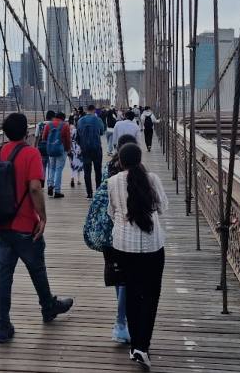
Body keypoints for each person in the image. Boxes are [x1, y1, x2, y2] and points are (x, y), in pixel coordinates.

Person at [0, 112, 74, 343]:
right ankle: (48, 307)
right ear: (26, 132)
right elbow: (35, 188)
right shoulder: (30, 153)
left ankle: (3, 325)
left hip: (2, 224)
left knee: (4, 274)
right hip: (24, 223)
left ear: (6, 132)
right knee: (37, 267)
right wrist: (43, 217)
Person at [107, 143, 168, 368]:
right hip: (153, 247)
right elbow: (162, 208)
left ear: (120, 162)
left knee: (132, 294)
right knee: (151, 296)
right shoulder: (152, 179)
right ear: (140, 159)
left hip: (124, 247)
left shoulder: (112, 182)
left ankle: (135, 346)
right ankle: (143, 345)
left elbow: (111, 212)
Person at [84, 134, 139, 345]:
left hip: (109, 233)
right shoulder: (135, 177)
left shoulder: (109, 169)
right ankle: (121, 322)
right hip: (126, 233)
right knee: (128, 279)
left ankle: (122, 318)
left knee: (119, 277)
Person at [76, 104, 107, 199]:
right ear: (94, 110)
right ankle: (98, 191)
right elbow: (102, 131)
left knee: (87, 171)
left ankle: (89, 193)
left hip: (85, 149)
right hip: (96, 148)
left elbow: (78, 136)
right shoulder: (98, 120)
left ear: (87, 110)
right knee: (98, 170)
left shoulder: (80, 120)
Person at [40, 111, 72, 198]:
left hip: (51, 150)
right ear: (63, 118)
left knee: (51, 168)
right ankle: (57, 191)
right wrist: (68, 149)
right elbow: (68, 139)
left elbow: (44, 137)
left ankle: (50, 185)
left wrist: (51, 143)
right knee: (59, 169)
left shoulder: (48, 125)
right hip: (61, 150)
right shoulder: (65, 125)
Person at [35, 110, 55, 186]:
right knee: (51, 166)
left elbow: (36, 136)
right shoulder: (54, 125)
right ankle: (50, 183)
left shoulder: (39, 124)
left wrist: (35, 147)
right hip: (51, 147)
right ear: (53, 117)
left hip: (41, 147)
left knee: (43, 165)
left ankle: (42, 180)